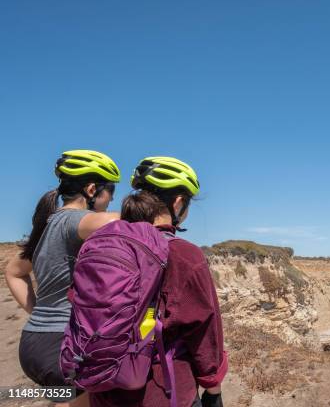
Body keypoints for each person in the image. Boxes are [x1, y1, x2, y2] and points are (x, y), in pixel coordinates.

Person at [90, 156, 227, 407]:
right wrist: (213, 386)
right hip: (162, 390)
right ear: (178, 202)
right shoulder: (184, 254)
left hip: (102, 388)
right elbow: (204, 329)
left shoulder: (100, 244)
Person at [4, 150, 121, 407]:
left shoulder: (46, 224)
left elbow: (14, 272)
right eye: (110, 194)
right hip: (60, 346)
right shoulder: (75, 221)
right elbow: (124, 220)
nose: (111, 202)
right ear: (92, 189)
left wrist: (38, 312)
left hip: (34, 343)